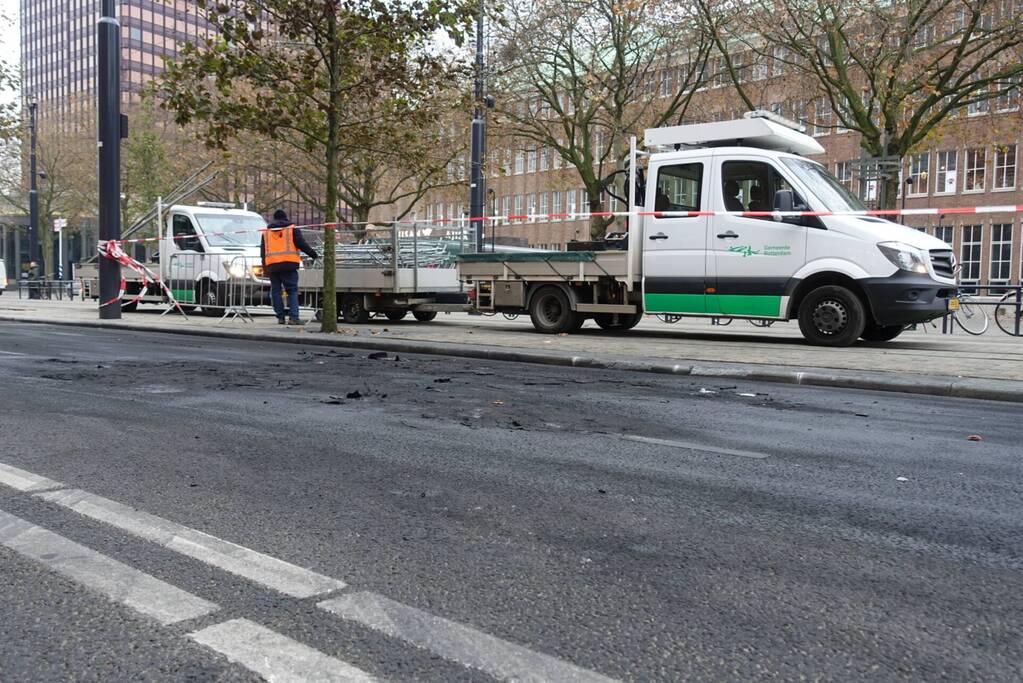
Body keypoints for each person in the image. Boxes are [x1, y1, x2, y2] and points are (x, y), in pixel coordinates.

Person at [260, 209, 318, 325]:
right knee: (292, 291)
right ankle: (293, 317)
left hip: (272, 266)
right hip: (288, 264)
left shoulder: (266, 232)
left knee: (276, 292)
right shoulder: (292, 229)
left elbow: (262, 252)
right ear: (285, 217)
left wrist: (265, 268)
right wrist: (314, 254)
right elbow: (302, 244)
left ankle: (280, 317)